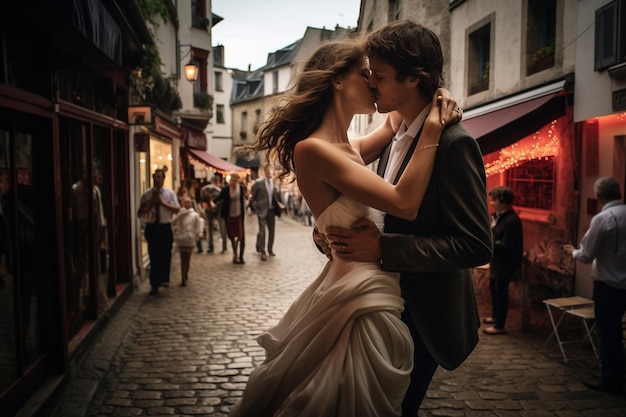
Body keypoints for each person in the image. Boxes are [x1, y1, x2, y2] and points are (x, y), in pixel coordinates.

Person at [227, 34, 463, 417]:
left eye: (377, 76)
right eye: (366, 74)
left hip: (372, 284)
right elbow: (403, 202)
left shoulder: (349, 146)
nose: (373, 83)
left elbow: (399, 116)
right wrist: (434, 133)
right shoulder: (313, 149)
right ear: (338, 80)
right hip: (357, 293)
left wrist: (440, 91)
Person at [318, 20, 493, 415]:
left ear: (414, 78)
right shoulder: (394, 135)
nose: (370, 84)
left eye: (378, 76)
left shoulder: (454, 144)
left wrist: (384, 249)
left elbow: (476, 244)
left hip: (423, 314)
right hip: (383, 304)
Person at [564, 176, 626, 395]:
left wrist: (572, 251)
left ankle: (611, 378)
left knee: (608, 332)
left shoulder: (604, 218)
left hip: (609, 284)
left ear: (599, 196)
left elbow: (587, 254)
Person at [483, 186, 523, 335]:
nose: (492, 203)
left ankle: (500, 325)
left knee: (501, 292)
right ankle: (495, 316)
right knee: (494, 289)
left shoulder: (511, 221)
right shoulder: (499, 217)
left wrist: (489, 240)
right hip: (498, 261)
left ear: (504, 201)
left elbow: (506, 245)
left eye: (494, 200)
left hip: (506, 263)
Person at [137, 167, 180, 294]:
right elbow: (139, 213)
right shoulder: (147, 194)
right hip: (152, 228)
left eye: (159, 178)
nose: (157, 180)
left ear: (163, 179)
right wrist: (147, 206)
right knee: (153, 255)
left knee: (165, 255)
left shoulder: (169, 194)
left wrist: (162, 203)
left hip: (165, 227)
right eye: (155, 178)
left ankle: (163, 279)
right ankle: (154, 284)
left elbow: (177, 209)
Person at [211, 172, 247, 264]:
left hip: (239, 215)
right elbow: (218, 198)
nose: (233, 181)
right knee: (231, 236)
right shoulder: (226, 189)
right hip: (229, 215)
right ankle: (235, 253)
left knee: (241, 236)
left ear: (238, 180)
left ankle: (241, 256)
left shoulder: (241, 189)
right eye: (232, 179)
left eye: (235, 179)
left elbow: (244, 200)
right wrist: (212, 203)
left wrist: (247, 210)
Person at [249, 165, 284, 260]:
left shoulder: (274, 183)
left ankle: (270, 249)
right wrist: (254, 209)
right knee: (262, 231)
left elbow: (274, 197)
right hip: (261, 210)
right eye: (268, 172)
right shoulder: (258, 183)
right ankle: (262, 251)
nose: (270, 173)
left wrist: (279, 204)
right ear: (265, 172)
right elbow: (253, 198)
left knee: (271, 231)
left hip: (271, 211)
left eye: (271, 172)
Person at [172, 196, 204, 287]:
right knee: (182, 259)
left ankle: (185, 273)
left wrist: (199, 234)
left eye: (189, 202)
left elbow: (198, 225)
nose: (187, 204)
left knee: (187, 258)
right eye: (185, 202)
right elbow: (173, 223)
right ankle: (183, 276)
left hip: (190, 238)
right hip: (181, 238)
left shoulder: (194, 215)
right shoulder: (178, 213)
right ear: (182, 203)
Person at [201, 175, 228, 254]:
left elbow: (203, 200)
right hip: (217, 209)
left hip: (211, 209)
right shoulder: (220, 190)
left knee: (209, 228)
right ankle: (223, 247)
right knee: (221, 227)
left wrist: (209, 204)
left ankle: (211, 247)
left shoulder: (204, 189)